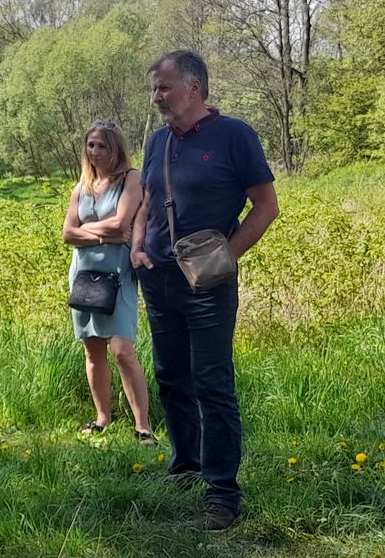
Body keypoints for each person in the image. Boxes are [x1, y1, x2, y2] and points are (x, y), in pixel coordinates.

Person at [131, 51, 279, 531]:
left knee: (212, 383)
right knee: (172, 377)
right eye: (155, 88)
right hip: (158, 279)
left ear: (194, 87)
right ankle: (186, 467)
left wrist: (226, 257)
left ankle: (222, 494)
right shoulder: (158, 141)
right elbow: (147, 200)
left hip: (208, 283)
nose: (157, 97)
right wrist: (137, 247)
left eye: (164, 87)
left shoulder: (234, 136)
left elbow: (266, 206)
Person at [61, 121, 155, 445]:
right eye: (91, 145)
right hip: (84, 274)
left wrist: (85, 231)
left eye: (102, 145)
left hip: (118, 273)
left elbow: (122, 223)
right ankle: (102, 418)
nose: (95, 151)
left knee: (122, 350)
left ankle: (143, 426)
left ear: (115, 148)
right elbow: (67, 234)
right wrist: (103, 235)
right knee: (92, 348)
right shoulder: (81, 187)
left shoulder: (132, 179)